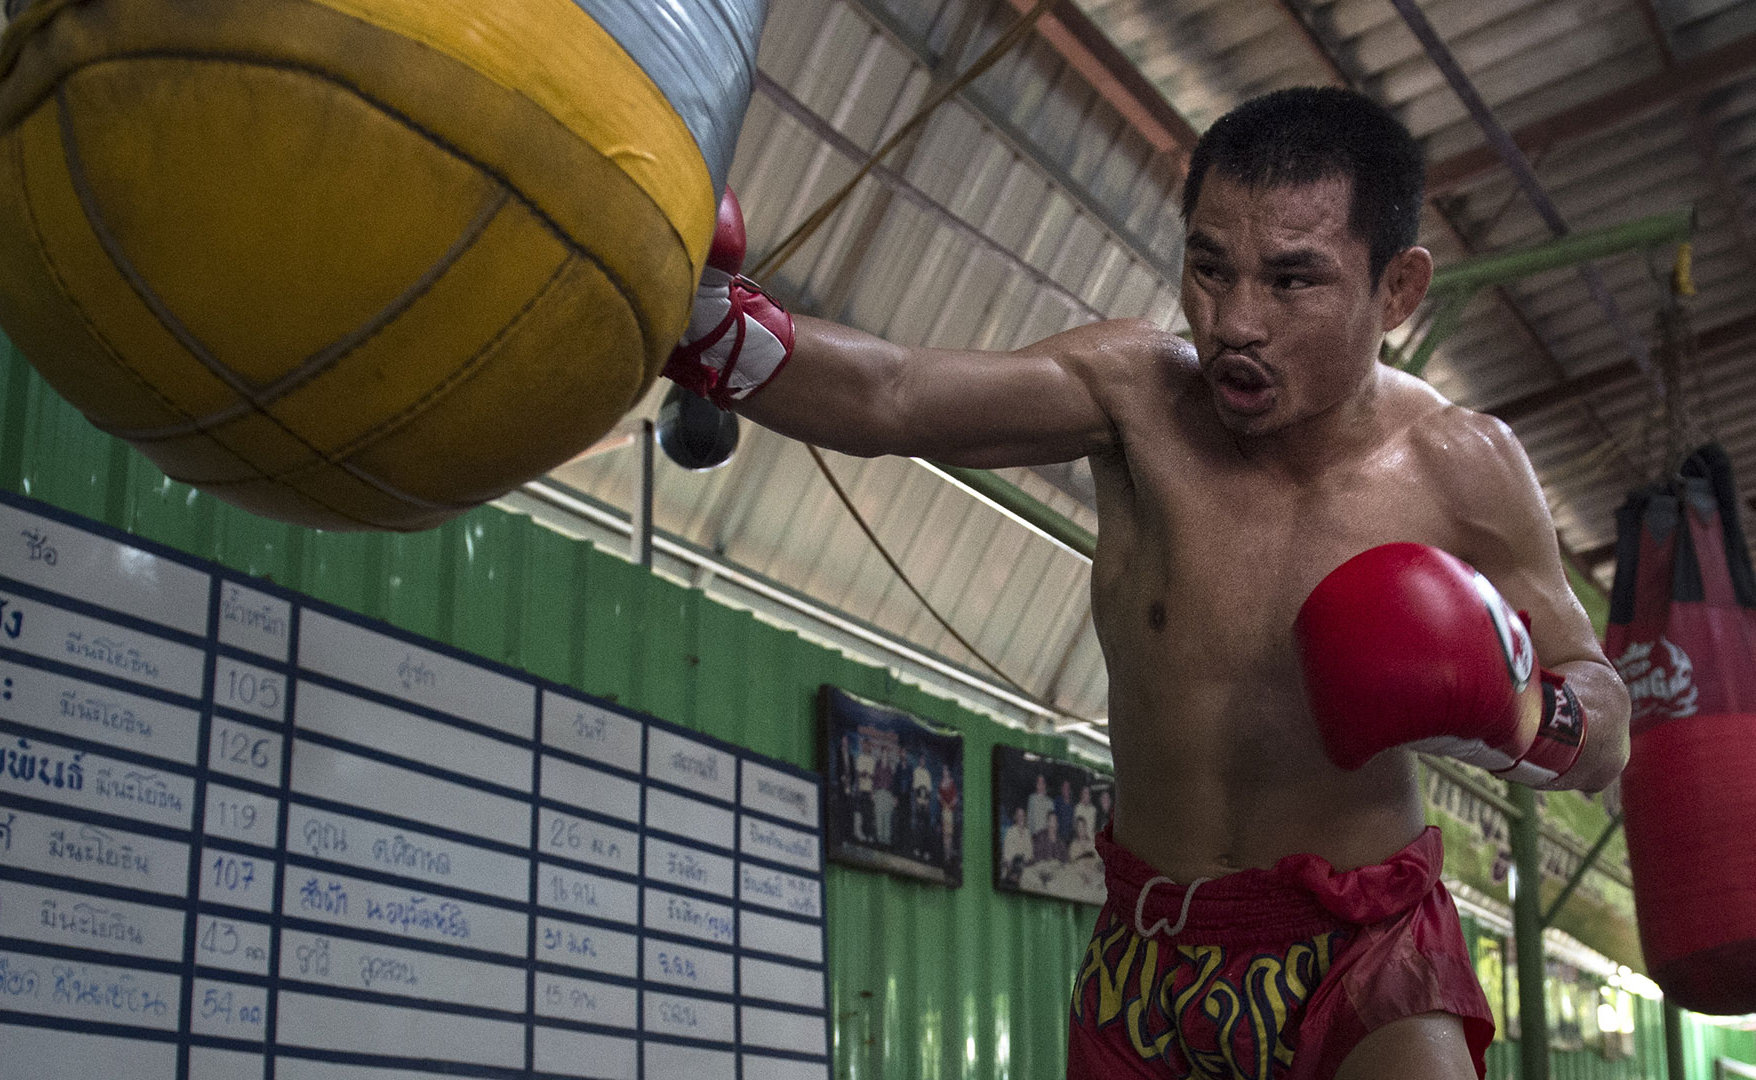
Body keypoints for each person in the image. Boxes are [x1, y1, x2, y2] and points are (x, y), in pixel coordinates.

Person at [664, 85, 1629, 1079]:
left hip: (1365, 946)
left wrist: (1524, 719)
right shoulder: (1139, 395)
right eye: (1210, 269)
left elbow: (1606, 723)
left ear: (1397, 290)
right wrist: (704, 329)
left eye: (1293, 282)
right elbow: (899, 393)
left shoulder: (1465, 466)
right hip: (1150, 956)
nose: (1236, 322)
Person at [1001, 805, 1035, 884]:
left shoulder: (1028, 833)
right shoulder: (1010, 832)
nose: (1021, 818)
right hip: (1011, 869)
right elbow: (1006, 857)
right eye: (1018, 815)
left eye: (1023, 815)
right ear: (1015, 817)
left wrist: (1026, 864)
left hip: (1025, 868)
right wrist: (1012, 871)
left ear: (1025, 817)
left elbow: (1030, 855)